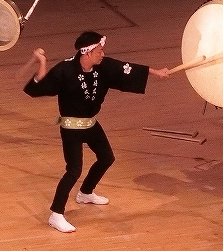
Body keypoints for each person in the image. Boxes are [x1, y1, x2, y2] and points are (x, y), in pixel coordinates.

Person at [23, 31, 170, 233]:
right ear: (88, 52)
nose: (103, 54)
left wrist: (156, 72)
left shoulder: (103, 67)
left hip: (91, 124)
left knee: (107, 158)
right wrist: (42, 62)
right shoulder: (65, 69)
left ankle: (85, 193)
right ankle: (56, 214)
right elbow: (39, 87)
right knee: (74, 170)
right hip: (71, 127)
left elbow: (127, 68)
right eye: (99, 51)